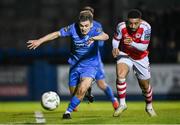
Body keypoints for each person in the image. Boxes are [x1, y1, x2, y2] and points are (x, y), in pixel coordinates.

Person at [27, 11, 109, 119]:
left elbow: (105, 36)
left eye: (86, 26)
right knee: (75, 94)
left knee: (82, 88)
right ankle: (87, 91)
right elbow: (56, 34)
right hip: (75, 66)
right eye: (81, 25)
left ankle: (67, 112)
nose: (83, 28)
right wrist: (40, 41)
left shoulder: (95, 30)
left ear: (91, 24)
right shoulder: (72, 28)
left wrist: (94, 38)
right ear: (78, 23)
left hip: (90, 66)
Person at [71, 6, 119, 111]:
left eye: (89, 14)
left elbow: (102, 41)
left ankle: (113, 100)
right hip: (80, 61)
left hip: (94, 60)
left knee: (101, 84)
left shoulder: (97, 26)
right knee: (79, 82)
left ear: (92, 15)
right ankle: (82, 97)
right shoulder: (78, 26)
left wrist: (94, 39)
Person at [112, 9, 157, 117]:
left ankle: (149, 106)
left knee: (145, 86)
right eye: (130, 23)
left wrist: (132, 43)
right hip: (125, 54)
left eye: (135, 23)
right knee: (120, 75)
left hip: (140, 57)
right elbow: (116, 39)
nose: (132, 26)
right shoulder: (121, 26)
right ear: (127, 21)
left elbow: (144, 47)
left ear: (140, 21)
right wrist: (115, 48)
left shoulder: (146, 27)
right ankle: (122, 104)